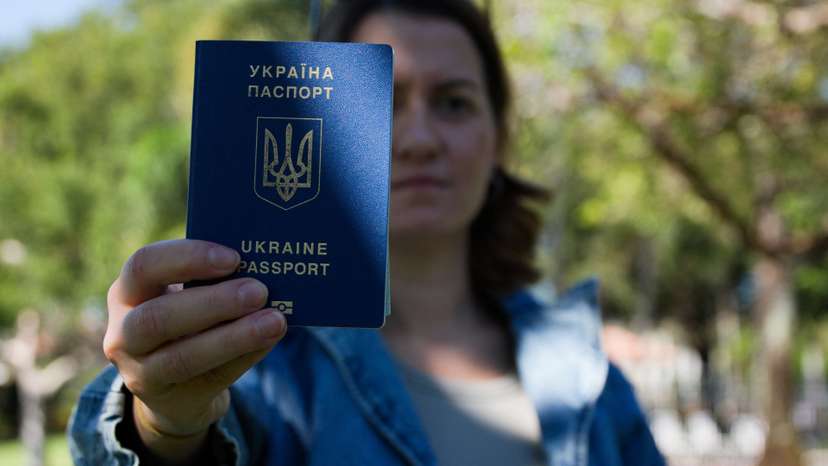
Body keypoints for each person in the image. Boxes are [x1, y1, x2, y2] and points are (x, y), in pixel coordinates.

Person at [68, 1, 666, 465]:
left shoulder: (591, 377)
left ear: (498, 140)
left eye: (454, 103)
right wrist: (165, 424)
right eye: (386, 100)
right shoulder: (256, 357)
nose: (419, 139)